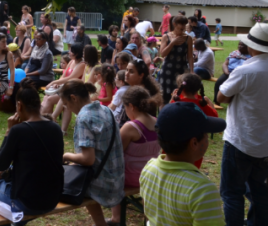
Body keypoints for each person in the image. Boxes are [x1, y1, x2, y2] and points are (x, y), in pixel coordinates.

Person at [0, 78, 64, 223]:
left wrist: (9, 131)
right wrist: (4, 173)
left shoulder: (18, 130)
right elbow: (37, 164)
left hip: (27, 202)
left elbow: (1, 163)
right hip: (51, 199)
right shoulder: (56, 128)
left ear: (19, 105)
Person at [216, 23, 268, 225]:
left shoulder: (245, 70)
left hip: (240, 141)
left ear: (253, 47)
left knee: (231, 193)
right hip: (265, 146)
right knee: (261, 193)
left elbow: (221, 97)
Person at [140, 102, 226, 225]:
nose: (207, 138)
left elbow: (148, 212)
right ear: (194, 143)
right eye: (206, 134)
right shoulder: (202, 190)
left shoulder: (149, 167)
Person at [59, 80, 125, 226]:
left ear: (73, 98)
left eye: (66, 103)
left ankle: (100, 224)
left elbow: (88, 159)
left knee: (73, 181)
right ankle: (110, 221)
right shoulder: (106, 109)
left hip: (103, 185)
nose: (66, 107)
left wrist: (65, 156)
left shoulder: (84, 118)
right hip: (118, 181)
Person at [107, 86, 159, 224]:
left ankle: (115, 218)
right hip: (152, 176)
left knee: (111, 172)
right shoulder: (156, 121)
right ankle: (149, 219)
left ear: (131, 106)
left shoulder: (131, 127)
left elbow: (115, 155)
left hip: (131, 178)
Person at [40, 43, 85, 133]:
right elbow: (63, 76)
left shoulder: (82, 64)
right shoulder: (71, 61)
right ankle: (43, 121)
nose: (69, 52)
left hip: (74, 91)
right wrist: (57, 83)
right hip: (64, 88)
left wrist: (54, 82)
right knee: (46, 97)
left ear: (76, 53)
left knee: (52, 100)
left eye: (71, 51)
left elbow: (70, 78)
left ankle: (49, 121)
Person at [158, 16, 194, 104]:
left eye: (185, 24)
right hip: (167, 71)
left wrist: (192, 71)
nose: (183, 27)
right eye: (181, 24)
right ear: (174, 24)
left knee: (180, 96)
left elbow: (189, 56)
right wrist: (173, 43)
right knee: (164, 97)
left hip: (181, 71)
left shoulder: (188, 38)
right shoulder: (166, 36)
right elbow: (162, 54)